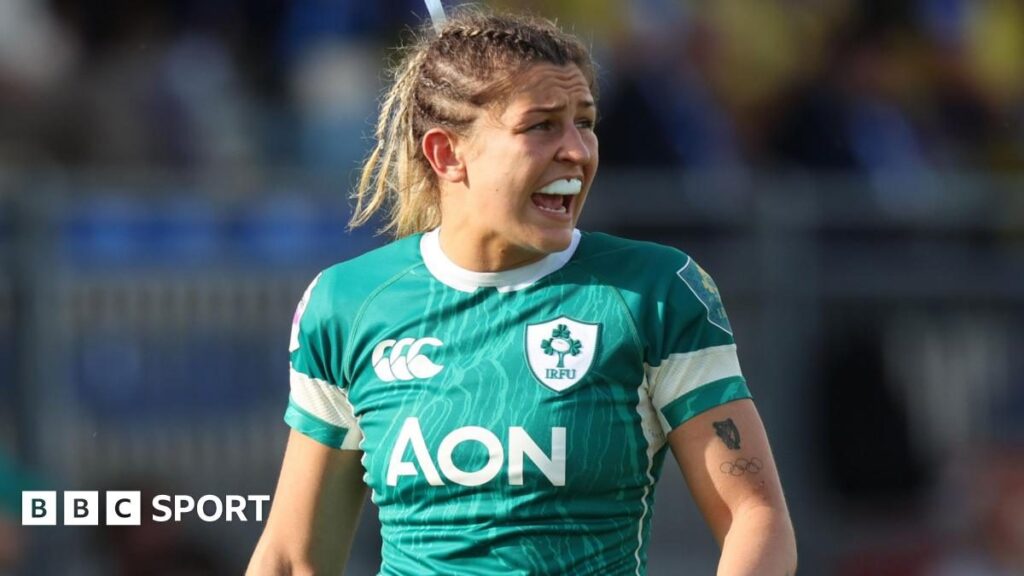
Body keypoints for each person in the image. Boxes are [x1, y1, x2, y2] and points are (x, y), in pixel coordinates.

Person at [247, 8, 796, 575]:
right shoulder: (348, 303)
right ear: (447, 153)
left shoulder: (653, 293)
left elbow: (755, 517)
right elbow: (292, 557)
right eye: (541, 126)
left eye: (585, 122)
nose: (579, 151)